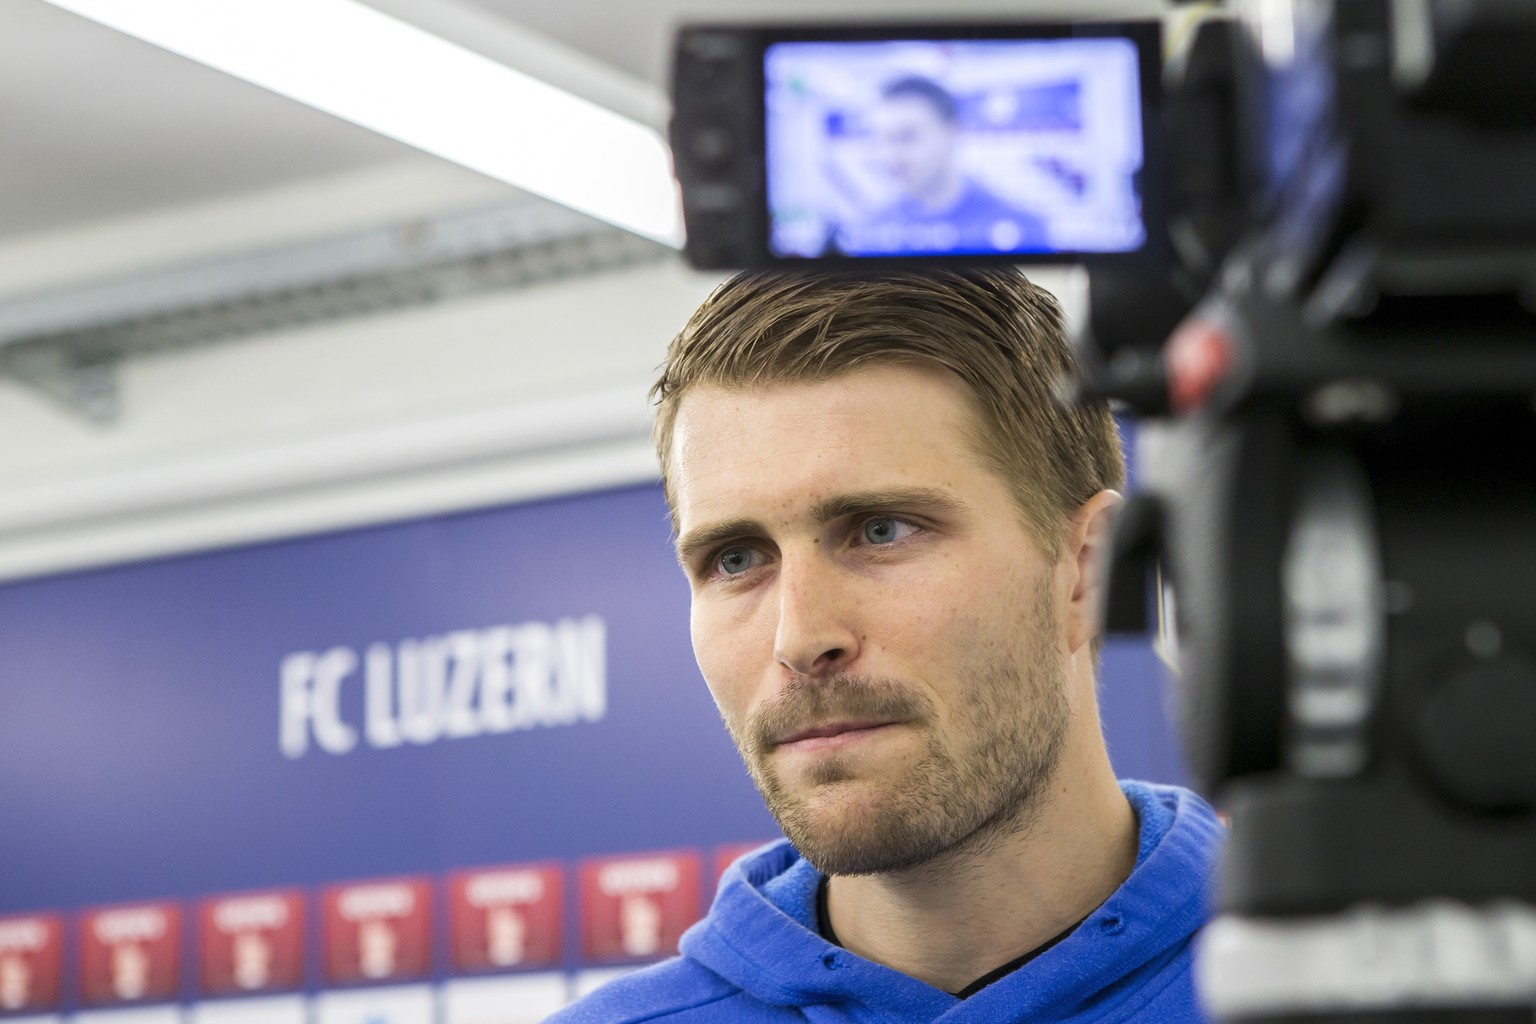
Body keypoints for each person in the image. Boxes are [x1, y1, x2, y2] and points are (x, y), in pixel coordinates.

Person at [548, 268, 1223, 1023]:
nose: (800, 638)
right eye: (736, 558)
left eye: (881, 530)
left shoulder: (1347, 984)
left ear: (1086, 572)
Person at [837, 77, 1049, 256]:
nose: (890, 156)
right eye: (882, 140)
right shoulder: (867, 233)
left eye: (906, 137)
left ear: (951, 134)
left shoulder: (1022, 227)